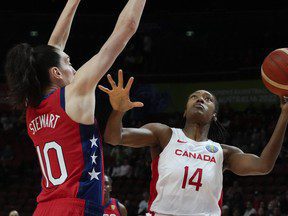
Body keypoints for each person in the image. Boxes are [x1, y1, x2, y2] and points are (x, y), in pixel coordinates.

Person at [4, 0, 146, 215]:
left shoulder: (31, 108)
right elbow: (127, 28)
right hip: (76, 207)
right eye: (69, 63)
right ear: (56, 73)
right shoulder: (74, 92)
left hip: (43, 208)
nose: (74, 68)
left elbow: (55, 47)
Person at [98, 70, 288, 216]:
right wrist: (119, 111)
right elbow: (114, 138)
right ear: (185, 111)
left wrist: (285, 115)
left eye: (208, 99)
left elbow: (263, 165)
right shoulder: (164, 134)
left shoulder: (224, 153)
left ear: (214, 115)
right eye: (194, 97)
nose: (200, 99)